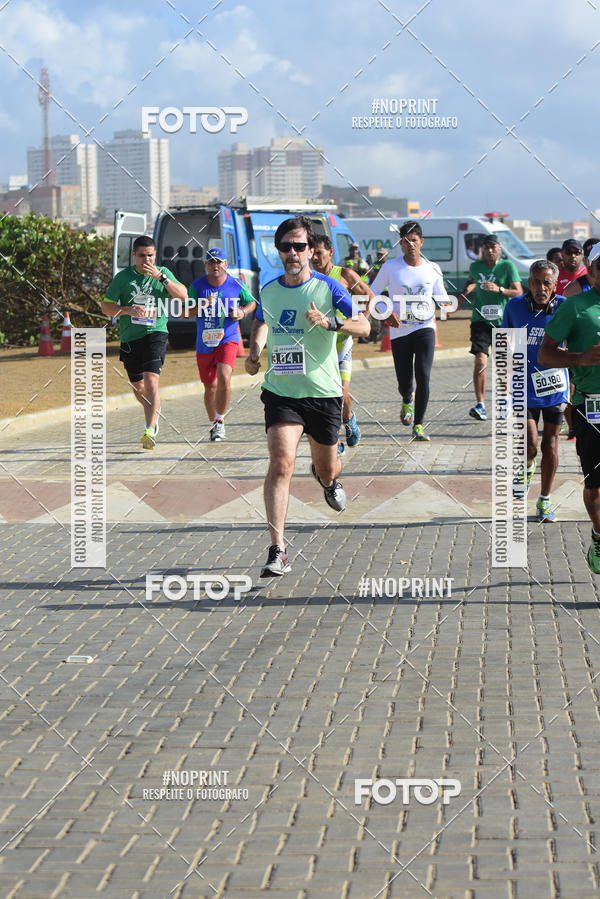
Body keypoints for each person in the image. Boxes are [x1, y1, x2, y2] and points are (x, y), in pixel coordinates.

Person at [245, 216, 370, 577]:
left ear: (311, 250)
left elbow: (364, 325)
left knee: (327, 466)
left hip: (323, 393)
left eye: (299, 246)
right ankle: (278, 549)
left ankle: (329, 480)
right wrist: (255, 351)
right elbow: (263, 321)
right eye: (286, 246)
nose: (293, 252)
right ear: (278, 250)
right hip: (282, 392)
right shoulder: (268, 290)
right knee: (281, 463)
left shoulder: (330, 289)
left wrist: (331, 323)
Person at [539, 242, 600, 573]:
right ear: (590, 271)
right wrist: (580, 358)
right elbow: (545, 354)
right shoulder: (575, 307)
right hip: (590, 407)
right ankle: (599, 535)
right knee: (595, 491)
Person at [101, 235, 187, 449]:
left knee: (151, 382)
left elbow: (184, 296)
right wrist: (127, 310)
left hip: (156, 333)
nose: (146, 260)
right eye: (141, 256)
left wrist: (162, 278)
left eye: (150, 256)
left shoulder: (163, 274)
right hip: (130, 337)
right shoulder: (123, 277)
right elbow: (106, 307)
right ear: (134, 255)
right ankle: (154, 408)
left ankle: (150, 429)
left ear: (155, 255)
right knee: (138, 387)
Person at [371, 220, 450, 441]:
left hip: (425, 328)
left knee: (423, 376)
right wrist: (386, 312)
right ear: (400, 243)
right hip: (399, 331)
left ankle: (419, 425)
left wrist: (448, 305)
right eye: (405, 241)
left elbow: (442, 296)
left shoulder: (432, 268)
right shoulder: (390, 267)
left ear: (421, 242)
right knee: (405, 382)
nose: (410, 245)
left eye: (414, 240)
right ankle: (407, 398)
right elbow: (372, 293)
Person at [501, 260, 568, 522]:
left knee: (551, 445)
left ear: (554, 284)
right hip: (523, 386)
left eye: (547, 282)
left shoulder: (564, 306)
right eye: (537, 282)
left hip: (554, 387)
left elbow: (575, 339)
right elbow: (504, 343)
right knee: (530, 444)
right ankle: (526, 468)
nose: (542, 287)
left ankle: (544, 500)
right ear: (529, 283)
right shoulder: (515, 306)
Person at [184, 248, 256, 441]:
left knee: (224, 377)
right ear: (206, 265)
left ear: (226, 264)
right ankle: (213, 423)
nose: (215, 265)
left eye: (218, 262)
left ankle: (221, 421)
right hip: (205, 342)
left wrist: (242, 313)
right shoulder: (197, 286)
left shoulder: (236, 284)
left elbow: (251, 303)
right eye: (210, 262)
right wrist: (202, 304)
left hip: (228, 338)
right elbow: (185, 312)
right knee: (210, 387)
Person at [311, 235, 374, 449]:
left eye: (319, 252)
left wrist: (364, 315)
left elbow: (369, 294)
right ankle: (334, 438)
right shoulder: (308, 277)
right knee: (325, 392)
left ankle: (348, 419)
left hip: (342, 340)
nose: (315, 257)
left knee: (341, 393)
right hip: (320, 342)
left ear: (330, 252)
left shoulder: (344, 274)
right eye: (312, 253)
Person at [459, 234, 522, 421]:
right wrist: (464, 294)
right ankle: (480, 405)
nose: (490, 250)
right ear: (482, 249)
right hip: (480, 320)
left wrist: (500, 290)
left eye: (493, 247)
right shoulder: (475, 266)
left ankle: (504, 401)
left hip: (502, 321)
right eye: (486, 247)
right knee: (480, 360)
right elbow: (471, 281)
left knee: (503, 365)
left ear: (499, 248)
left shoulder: (507, 266)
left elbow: (518, 291)